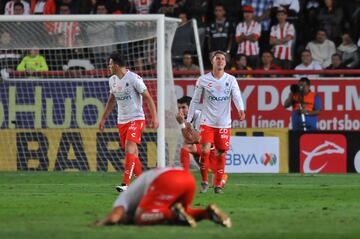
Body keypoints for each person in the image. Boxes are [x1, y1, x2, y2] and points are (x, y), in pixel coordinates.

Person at [98, 52, 158, 192]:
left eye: (110, 63)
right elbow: (112, 100)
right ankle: (142, 183)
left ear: (117, 65)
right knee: (132, 153)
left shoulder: (134, 79)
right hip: (122, 120)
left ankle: (125, 184)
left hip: (136, 118)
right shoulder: (112, 80)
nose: (109, 66)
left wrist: (155, 117)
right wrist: (103, 118)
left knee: (130, 147)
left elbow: (148, 98)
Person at [187, 50, 245, 194]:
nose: (220, 61)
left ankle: (218, 185)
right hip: (207, 122)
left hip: (224, 123)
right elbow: (195, 100)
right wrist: (188, 120)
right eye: (217, 58)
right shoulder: (203, 80)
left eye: (222, 59)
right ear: (212, 61)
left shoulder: (231, 80)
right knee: (205, 151)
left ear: (225, 62)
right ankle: (205, 181)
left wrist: (241, 109)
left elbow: (236, 96)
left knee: (221, 154)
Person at [93, 167, 231, 227]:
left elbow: (114, 217)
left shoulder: (122, 201)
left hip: (167, 179)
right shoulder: (143, 199)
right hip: (187, 179)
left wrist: (100, 223)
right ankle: (207, 213)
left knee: (140, 218)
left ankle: (173, 215)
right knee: (183, 212)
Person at [175, 96, 228, 187]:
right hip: (201, 146)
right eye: (179, 108)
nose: (181, 110)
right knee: (185, 147)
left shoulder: (201, 117)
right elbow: (188, 140)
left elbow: (196, 139)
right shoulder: (183, 119)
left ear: (191, 108)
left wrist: (182, 124)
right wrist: (182, 124)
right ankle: (184, 179)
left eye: (183, 107)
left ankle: (222, 177)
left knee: (216, 183)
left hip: (212, 147)